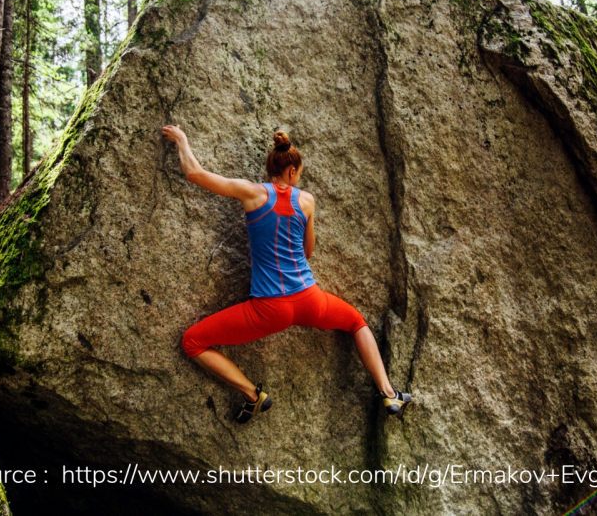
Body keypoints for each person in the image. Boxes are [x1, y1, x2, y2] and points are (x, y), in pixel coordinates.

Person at [162, 124, 412, 423]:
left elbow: (195, 174)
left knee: (193, 341)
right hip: (311, 300)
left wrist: (182, 140)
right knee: (357, 322)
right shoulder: (306, 201)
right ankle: (388, 393)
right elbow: (308, 251)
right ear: (292, 171)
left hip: (269, 309)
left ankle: (253, 397)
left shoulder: (251, 192)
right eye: (301, 173)